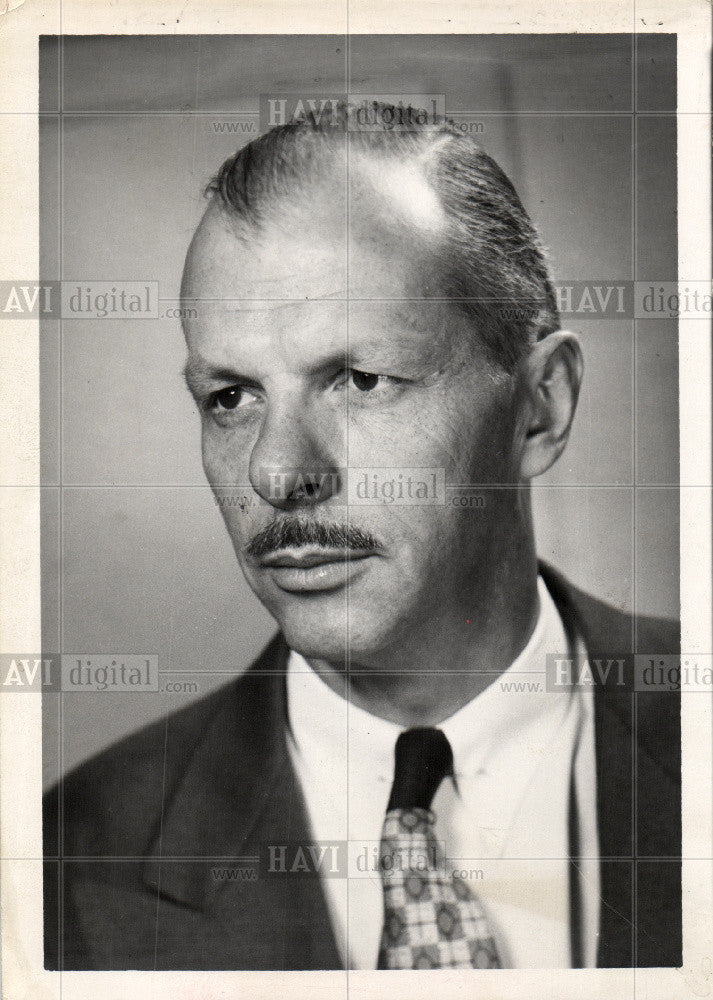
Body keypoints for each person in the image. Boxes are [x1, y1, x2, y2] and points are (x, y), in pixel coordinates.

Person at [44, 105, 681, 971]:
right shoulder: (65, 871)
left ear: (540, 408)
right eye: (230, 397)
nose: (276, 472)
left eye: (358, 379)